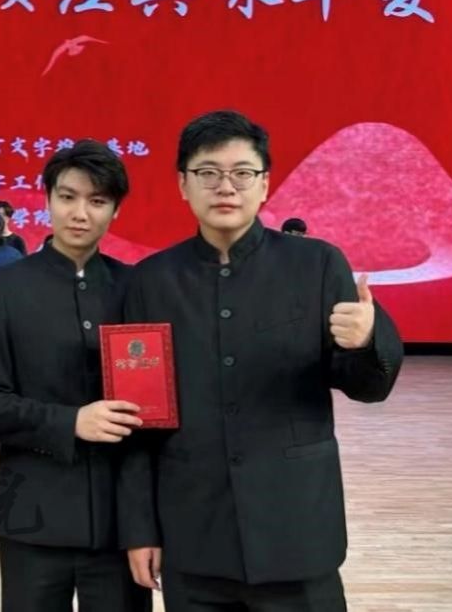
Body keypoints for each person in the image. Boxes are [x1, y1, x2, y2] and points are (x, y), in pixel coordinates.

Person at [120, 111, 404, 611]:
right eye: (208, 173)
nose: (225, 186)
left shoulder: (317, 264)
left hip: (296, 528)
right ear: (183, 184)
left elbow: (368, 388)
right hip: (194, 532)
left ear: (265, 184)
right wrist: (141, 528)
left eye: (242, 172)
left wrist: (365, 341)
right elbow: (139, 419)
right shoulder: (151, 281)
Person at [0, 140, 152, 612]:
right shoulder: (4, 290)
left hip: (118, 522)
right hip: (32, 515)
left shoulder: (138, 289)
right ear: (47, 199)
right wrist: (71, 422)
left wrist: (148, 522)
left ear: (116, 210)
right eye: (67, 197)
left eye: (97, 201)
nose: (80, 213)